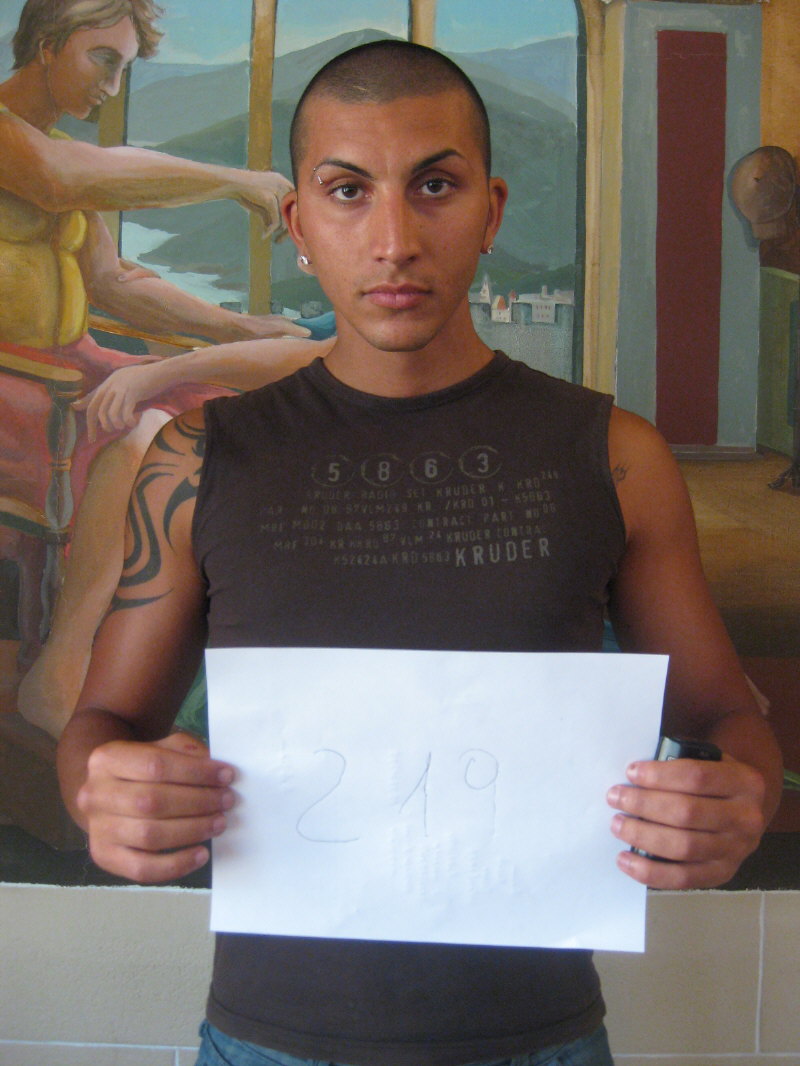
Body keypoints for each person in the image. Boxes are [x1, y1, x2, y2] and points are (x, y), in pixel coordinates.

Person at [57, 41, 783, 1066]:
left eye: (433, 186)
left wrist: (743, 796)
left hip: (542, 1042)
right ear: (299, 224)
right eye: (347, 191)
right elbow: (102, 724)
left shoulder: (615, 456)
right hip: (267, 1042)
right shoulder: (200, 457)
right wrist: (104, 792)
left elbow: (724, 717)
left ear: (489, 211)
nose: (393, 240)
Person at [0, 0, 321, 735]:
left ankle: (192, 655)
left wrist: (241, 328)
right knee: (148, 432)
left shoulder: (52, 150)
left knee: (219, 407)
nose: (111, 86)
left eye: (123, 68)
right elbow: (60, 180)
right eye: (102, 59)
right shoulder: (28, 150)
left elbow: (114, 283)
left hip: (65, 365)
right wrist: (234, 181)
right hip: (17, 378)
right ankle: (64, 669)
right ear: (46, 44)